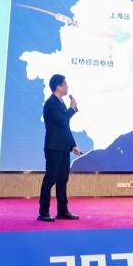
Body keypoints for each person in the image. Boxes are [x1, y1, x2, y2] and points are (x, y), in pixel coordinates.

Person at [38, 74, 83, 221]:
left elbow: (65, 128)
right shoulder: (50, 103)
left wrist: (73, 145)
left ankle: (62, 211)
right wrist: (72, 109)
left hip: (63, 147)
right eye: (65, 84)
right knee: (50, 179)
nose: (67, 86)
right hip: (53, 147)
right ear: (58, 86)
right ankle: (43, 212)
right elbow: (62, 120)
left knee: (63, 180)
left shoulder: (61, 102)